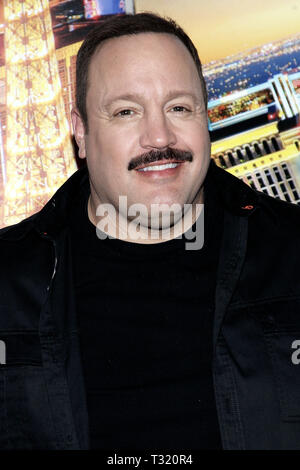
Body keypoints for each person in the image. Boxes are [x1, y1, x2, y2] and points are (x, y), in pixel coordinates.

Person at [0, 12, 300, 451]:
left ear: (205, 118)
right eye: (126, 111)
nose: (159, 136)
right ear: (79, 131)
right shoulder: (8, 285)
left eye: (179, 107)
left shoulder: (291, 251)